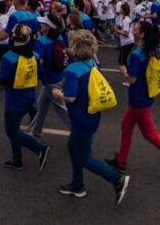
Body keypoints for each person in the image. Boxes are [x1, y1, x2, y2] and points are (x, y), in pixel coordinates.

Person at [105, 21, 160, 181]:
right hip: (143, 95)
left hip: (139, 98)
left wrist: (123, 70)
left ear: (142, 34)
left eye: (136, 29)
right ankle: (121, 160)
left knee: (150, 134)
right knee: (126, 126)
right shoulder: (147, 49)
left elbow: (132, 79)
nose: (132, 30)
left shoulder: (138, 54)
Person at [52, 30, 130, 203]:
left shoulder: (72, 70)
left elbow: (71, 97)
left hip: (80, 117)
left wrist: (58, 94)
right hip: (91, 114)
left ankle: (116, 179)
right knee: (73, 148)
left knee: (84, 157)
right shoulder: (92, 63)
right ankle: (77, 185)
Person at [0, 23, 50, 171]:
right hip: (30, 96)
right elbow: (40, 74)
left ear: (13, 37)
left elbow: (3, 80)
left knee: (12, 131)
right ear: (28, 37)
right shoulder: (35, 55)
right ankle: (17, 160)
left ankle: (40, 149)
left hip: (14, 99)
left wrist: (0, 70)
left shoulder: (9, 57)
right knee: (15, 129)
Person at [30, 14, 71, 138]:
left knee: (62, 110)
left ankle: (79, 134)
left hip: (50, 80)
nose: (41, 25)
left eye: (43, 23)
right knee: (41, 105)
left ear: (47, 27)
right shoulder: (60, 38)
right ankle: (36, 131)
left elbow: (37, 60)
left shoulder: (41, 42)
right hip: (59, 76)